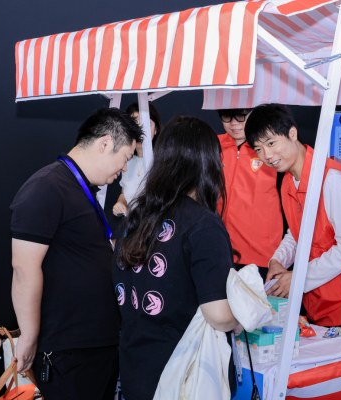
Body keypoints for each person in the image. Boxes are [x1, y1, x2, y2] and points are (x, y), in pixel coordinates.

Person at [9, 107, 142, 399]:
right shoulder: (47, 187)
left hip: (96, 346)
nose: (124, 169)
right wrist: (29, 336)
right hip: (68, 350)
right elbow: (23, 268)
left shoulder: (82, 190)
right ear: (105, 143)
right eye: (125, 158)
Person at [113, 116, 240, 400]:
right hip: (183, 379)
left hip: (136, 374)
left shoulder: (134, 219)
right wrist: (244, 316)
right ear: (208, 163)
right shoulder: (203, 225)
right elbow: (219, 315)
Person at [244, 104, 341, 331]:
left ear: (292, 133)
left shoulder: (331, 179)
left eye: (271, 143)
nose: (267, 155)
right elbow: (298, 232)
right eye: (258, 149)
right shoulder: (287, 181)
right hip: (319, 304)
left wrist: (298, 278)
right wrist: (278, 260)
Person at [216, 108, 283, 280]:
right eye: (227, 116)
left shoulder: (270, 149)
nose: (234, 123)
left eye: (241, 116)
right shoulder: (212, 145)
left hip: (261, 255)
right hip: (220, 250)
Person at [112, 102, 163, 217]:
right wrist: (120, 204)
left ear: (156, 130)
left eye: (146, 124)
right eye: (135, 125)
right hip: (133, 224)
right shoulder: (126, 161)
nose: (140, 132)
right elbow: (125, 193)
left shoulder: (163, 162)